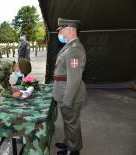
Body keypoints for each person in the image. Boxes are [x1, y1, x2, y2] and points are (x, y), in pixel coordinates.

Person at [53, 18, 87, 155]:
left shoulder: (75, 49)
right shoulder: (70, 46)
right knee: (68, 122)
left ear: (68, 30)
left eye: (60, 31)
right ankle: (68, 144)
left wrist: (68, 100)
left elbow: (74, 78)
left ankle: (73, 151)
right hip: (64, 90)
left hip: (70, 93)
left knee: (72, 124)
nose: (59, 34)